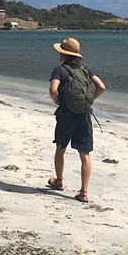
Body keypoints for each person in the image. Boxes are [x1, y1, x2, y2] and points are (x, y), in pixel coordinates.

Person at [47, 37, 105, 203]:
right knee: (84, 154)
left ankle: (59, 182)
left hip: (66, 115)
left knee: (60, 148)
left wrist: (57, 100)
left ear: (63, 54)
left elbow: (53, 89)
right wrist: (89, 101)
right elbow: (101, 87)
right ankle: (83, 192)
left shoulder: (59, 70)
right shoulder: (86, 70)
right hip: (84, 115)